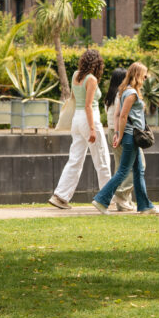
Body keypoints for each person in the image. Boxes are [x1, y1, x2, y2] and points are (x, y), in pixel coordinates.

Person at [49, 50, 119, 209]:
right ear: (97, 64)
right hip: (89, 119)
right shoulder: (92, 79)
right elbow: (88, 105)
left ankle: (60, 196)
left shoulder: (76, 75)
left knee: (75, 159)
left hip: (77, 120)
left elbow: (76, 99)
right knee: (102, 160)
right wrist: (93, 129)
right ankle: (107, 197)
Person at [92, 62, 159, 214]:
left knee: (138, 171)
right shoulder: (131, 93)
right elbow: (123, 116)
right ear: (137, 75)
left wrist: (118, 133)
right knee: (123, 171)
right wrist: (120, 135)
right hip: (131, 136)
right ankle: (101, 200)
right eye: (144, 74)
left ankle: (145, 206)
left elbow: (118, 115)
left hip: (130, 136)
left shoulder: (125, 91)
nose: (146, 77)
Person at [104, 67, 136, 211]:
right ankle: (121, 196)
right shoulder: (121, 95)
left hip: (110, 131)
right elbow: (121, 115)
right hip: (119, 132)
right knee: (131, 166)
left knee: (119, 167)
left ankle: (122, 204)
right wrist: (120, 133)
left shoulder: (109, 96)